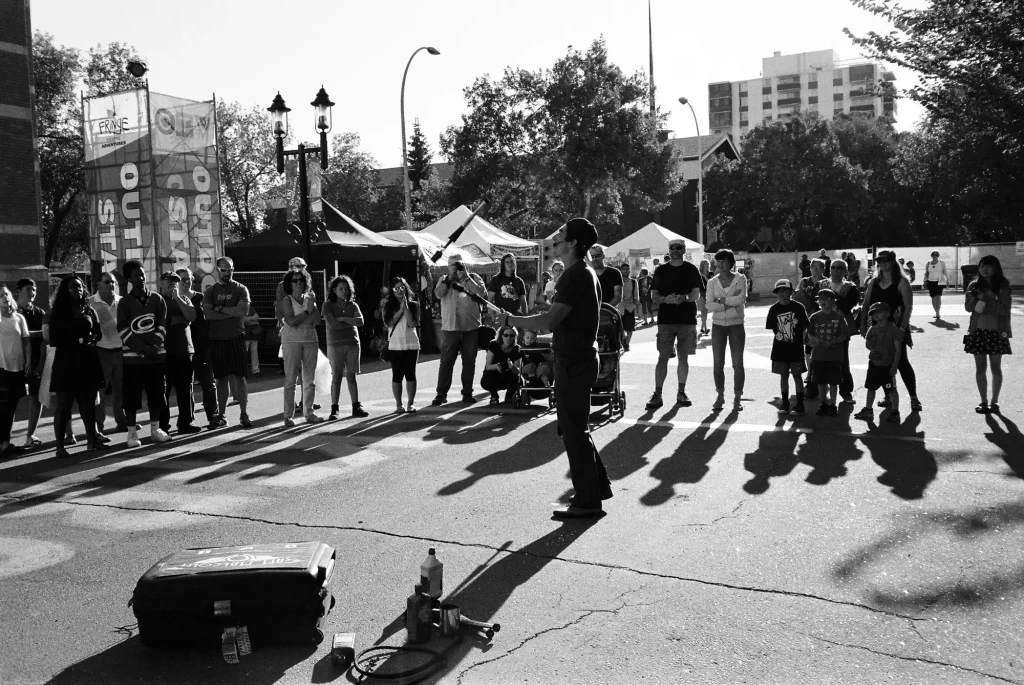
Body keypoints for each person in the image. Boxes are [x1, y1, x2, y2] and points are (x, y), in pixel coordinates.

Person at [503, 217, 612, 519]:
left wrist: (511, 321)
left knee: (574, 432)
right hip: (577, 360)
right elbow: (561, 323)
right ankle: (596, 488)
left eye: (561, 235)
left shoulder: (575, 275)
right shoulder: (580, 273)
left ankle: (588, 502)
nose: (555, 239)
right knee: (576, 429)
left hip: (574, 364)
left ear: (574, 243)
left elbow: (549, 320)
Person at [50, 275, 108, 457]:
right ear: (66, 291)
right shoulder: (59, 312)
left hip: (87, 361)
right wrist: (78, 339)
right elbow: (54, 339)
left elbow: (98, 333)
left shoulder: (89, 310)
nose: (78, 290)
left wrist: (92, 338)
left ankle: (92, 441)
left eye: (80, 286)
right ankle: (60, 447)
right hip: (66, 363)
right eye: (73, 287)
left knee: (88, 404)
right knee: (63, 406)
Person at [860, 250, 921, 412]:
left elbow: (908, 307)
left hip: (895, 326)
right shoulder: (873, 282)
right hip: (877, 328)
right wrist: (863, 325)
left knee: (901, 362)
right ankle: (888, 395)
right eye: (879, 260)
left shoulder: (901, 282)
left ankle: (914, 397)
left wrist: (901, 328)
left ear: (894, 262)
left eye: (886, 259)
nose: (883, 262)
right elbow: (866, 304)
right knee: (880, 361)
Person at [646, 239, 703, 410]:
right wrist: (665, 300)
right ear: (669, 251)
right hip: (666, 320)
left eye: (679, 248)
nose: (676, 250)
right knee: (663, 357)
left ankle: (681, 392)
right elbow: (654, 295)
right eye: (672, 248)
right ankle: (657, 394)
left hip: (686, 320)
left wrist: (684, 298)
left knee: (683, 357)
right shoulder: (661, 270)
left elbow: (696, 294)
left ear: (684, 250)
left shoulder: (691, 269)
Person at [118, 260, 170, 448]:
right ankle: (131, 433)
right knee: (131, 397)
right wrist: (141, 349)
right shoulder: (124, 302)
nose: (140, 278)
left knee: (156, 394)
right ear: (129, 279)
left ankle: (155, 429)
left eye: (142, 274)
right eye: (135, 276)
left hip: (155, 357)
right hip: (133, 359)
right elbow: (123, 329)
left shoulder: (157, 299)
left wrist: (153, 346)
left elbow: (163, 324)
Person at [204, 256, 253, 428]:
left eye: (230, 269)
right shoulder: (210, 291)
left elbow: (244, 310)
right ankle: (222, 415)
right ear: (218, 270)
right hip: (217, 340)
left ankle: (244, 414)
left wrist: (222, 308)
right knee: (221, 379)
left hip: (236, 338)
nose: (227, 273)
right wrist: (232, 312)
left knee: (240, 377)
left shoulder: (241, 289)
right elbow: (209, 314)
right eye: (224, 270)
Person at [432, 257, 487, 406]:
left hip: (470, 328)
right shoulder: (444, 279)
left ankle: (467, 393)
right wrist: (449, 278)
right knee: (446, 362)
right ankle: (441, 394)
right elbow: (438, 294)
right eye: (452, 266)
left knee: (469, 362)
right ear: (448, 267)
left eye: (458, 265)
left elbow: (481, 293)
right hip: (450, 328)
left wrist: (466, 277)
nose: (455, 268)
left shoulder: (474, 278)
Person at [965, 255, 1012, 414]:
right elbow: (968, 308)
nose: (985, 269)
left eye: (989, 266)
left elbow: (1004, 310)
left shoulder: (1003, 286)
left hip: (997, 333)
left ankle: (994, 402)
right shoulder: (973, 285)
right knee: (980, 368)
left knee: (995, 368)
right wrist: (975, 299)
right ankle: (983, 401)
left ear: (996, 268)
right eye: (982, 266)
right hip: (977, 332)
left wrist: (988, 299)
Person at [277, 268, 323, 426]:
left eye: (301, 280)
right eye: (295, 280)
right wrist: (306, 311)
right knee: (291, 379)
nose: (298, 283)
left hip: (310, 340)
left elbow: (318, 321)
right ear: (290, 283)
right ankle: (288, 416)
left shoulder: (310, 298)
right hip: (291, 341)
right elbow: (291, 321)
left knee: (309, 380)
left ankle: (309, 413)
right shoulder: (287, 300)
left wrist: (313, 307)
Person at [158, 271, 201, 435]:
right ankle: (162, 425)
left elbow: (191, 316)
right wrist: (175, 320)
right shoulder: (158, 300)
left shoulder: (183, 298)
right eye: (168, 281)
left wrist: (177, 299)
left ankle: (186, 422)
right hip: (165, 352)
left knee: (185, 389)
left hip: (185, 350)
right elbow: (159, 322)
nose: (172, 285)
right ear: (161, 282)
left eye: (175, 282)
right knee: (164, 390)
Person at [177, 267, 220, 429]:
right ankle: (188, 420)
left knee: (208, 383)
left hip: (202, 348)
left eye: (189, 279)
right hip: (182, 349)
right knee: (186, 385)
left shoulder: (201, 298)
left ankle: (213, 416)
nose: (187, 282)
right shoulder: (172, 300)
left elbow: (209, 321)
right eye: (183, 279)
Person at [706, 249, 749, 411]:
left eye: (724, 261)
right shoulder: (712, 282)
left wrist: (721, 300)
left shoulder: (740, 278)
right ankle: (720, 395)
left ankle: (737, 398)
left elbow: (741, 298)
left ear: (731, 263)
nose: (721, 264)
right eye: (718, 261)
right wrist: (728, 302)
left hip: (736, 324)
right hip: (718, 326)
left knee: (738, 364)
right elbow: (709, 305)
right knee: (718, 364)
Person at [322, 274, 367, 419]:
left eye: (346, 289)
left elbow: (360, 321)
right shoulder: (327, 305)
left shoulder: (353, 305)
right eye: (341, 289)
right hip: (335, 345)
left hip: (353, 344)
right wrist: (350, 322)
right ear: (334, 290)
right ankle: (334, 408)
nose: (344, 292)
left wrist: (343, 319)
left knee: (351, 376)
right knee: (336, 376)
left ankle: (356, 406)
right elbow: (332, 324)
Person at [766, 279, 809, 416]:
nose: (782, 293)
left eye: (785, 290)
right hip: (780, 349)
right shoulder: (774, 309)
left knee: (797, 375)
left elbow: (804, 325)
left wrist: (799, 338)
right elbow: (773, 327)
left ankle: (800, 404)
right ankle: (785, 403)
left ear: (791, 292)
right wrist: (782, 336)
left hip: (795, 348)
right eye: (779, 291)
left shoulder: (798, 307)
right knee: (783, 376)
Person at [854, 302, 903, 423]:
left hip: (887, 365)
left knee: (891, 389)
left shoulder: (893, 329)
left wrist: (895, 365)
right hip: (874, 364)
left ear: (887, 313)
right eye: (873, 313)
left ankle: (895, 411)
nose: (875, 315)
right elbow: (868, 345)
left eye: (878, 312)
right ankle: (868, 409)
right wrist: (871, 343)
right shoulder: (872, 329)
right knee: (871, 387)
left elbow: (898, 349)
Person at [89, 272, 123, 440]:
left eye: (113, 282)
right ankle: (99, 426)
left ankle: (122, 421)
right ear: (98, 285)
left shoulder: (122, 301)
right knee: (100, 392)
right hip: (101, 352)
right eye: (107, 282)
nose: (111, 285)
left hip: (121, 351)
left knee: (121, 389)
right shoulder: (90, 303)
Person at [822, 260, 861, 404]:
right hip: (822, 328)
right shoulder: (822, 284)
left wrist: (830, 297)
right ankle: (818, 391)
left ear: (845, 271)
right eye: (833, 267)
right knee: (821, 361)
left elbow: (847, 305)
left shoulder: (850, 287)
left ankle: (846, 392)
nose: (835, 270)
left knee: (842, 361)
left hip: (841, 330)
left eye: (840, 268)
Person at [807, 289, 850, 417]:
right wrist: (815, 340)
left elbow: (845, 334)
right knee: (820, 381)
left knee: (833, 381)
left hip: (834, 356)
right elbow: (809, 333)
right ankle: (823, 404)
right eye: (820, 299)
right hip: (819, 355)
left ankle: (833, 404)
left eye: (826, 299)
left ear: (833, 301)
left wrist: (833, 341)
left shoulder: (839, 317)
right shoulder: (814, 317)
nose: (823, 301)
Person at [15, 279, 46, 447]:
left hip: (35, 362)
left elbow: (45, 338)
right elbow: (18, 336)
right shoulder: (12, 312)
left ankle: (30, 435)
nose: (32, 293)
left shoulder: (40, 313)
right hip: (15, 362)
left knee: (36, 398)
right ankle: (5, 438)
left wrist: (40, 364)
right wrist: (38, 333)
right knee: (11, 401)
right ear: (18, 291)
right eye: (28, 289)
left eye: (34, 290)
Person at [383, 277, 421, 413]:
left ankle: (411, 403)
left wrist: (406, 307)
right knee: (397, 375)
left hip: (411, 344)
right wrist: (400, 310)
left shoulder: (414, 304)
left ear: (406, 288)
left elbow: (412, 323)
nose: (400, 291)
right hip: (395, 344)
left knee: (411, 374)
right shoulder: (388, 305)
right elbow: (388, 323)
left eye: (402, 287)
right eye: (396, 288)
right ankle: (399, 405)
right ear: (392, 291)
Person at [0, 286, 31, 456]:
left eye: (6, 294)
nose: (4, 298)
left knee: (11, 406)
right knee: (2, 407)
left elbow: (26, 341)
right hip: (1, 368)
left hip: (17, 367)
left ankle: (5, 443)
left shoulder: (19, 318)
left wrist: (28, 361)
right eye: (0, 296)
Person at [795, 258, 826, 398]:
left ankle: (820, 373)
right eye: (813, 267)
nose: (815, 269)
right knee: (808, 346)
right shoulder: (804, 281)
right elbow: (795, 296)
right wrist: (804, 292)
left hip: (823, 319)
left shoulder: (826, 281)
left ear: (823, 269)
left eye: (819, 267)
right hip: (807, 317)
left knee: (822, 346)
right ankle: (810, 372)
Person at [481, 325, 522, 404]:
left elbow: (518, 371)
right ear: (501, 336)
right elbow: (488, 366)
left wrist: (512, 366)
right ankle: (494, 396)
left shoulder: (517, 349)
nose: (508, 338)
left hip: (509, 377)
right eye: (506, 335)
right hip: (495, 374)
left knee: (517, 378)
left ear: (514, 337)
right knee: (489, 374)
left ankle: (510, 396)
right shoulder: (493, 345)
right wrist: (497, 366)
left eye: (511, 335)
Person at [486, 253, 528, 325]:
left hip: (515, 316)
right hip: (500, 315)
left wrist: (525, 317)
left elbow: (523, 301)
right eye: (507, 262)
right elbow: (489, 300)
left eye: (512, 262)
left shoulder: (519, 281)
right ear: (503, 264)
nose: (510, 264)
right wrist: (493, 317)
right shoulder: (496, 279)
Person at [616, 263, 639, 351]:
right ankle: (623, 341)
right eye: (623, 269)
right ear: (620, 271)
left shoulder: (633, 282)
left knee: (630, 328)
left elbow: (636, 296)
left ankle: (627, 344)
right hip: (619, 308)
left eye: (627, 269)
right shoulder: (617, 281)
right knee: (619, 328)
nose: (625, 271)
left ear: (629, 271)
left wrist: (633, 306)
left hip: (630, 308)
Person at [923, 251, 949, 319]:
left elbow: (945, 271)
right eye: (933, 255)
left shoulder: (942, 263)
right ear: (931, 256)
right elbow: (926, 273)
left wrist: (948, 279)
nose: (934, 256)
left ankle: (938, 312)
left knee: (938, 297)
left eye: (936, 255)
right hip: (930, 282)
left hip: (939, 282)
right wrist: (924, 281)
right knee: (933, 297)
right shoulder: (928, 263)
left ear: (938, 256)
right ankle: (936, 310)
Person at [243, 303, 262, 377]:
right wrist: (252, 319)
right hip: (246, 332)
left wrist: (248, 319)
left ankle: (255, 370)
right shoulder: (241, 308)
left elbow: (257, 318)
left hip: (253, 332)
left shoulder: (251, 308)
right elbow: (242, 320)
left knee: (254, 351)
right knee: (245, 352)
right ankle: (246, 371)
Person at [698, 259, 712, 335]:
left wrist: (704, 276)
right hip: (701, 293)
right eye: (705, 264)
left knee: (705, 312)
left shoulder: (710, 273)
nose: (707, 266)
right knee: (703, 311)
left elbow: (710, 282)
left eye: (707, 264)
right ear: (702, 265)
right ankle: (705, 327)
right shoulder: (698, 274)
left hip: (708, 293)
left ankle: (703, 327)